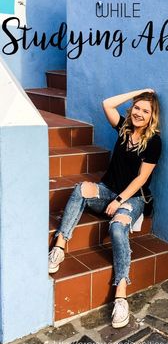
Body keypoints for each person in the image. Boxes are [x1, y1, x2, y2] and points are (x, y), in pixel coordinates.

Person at [48, 89, 162, 328]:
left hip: (132, 199)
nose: (140, 113)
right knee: (81, 189)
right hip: (107, 190)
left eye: (146, 111)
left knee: (118, 229)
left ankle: (120, 294)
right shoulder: (124, 129)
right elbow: (107, 103)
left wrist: (119, 201)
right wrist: (140, 93)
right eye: (137, 108)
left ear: (152, 117)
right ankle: (60, 244)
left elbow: (141, 179)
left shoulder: (154, 141)